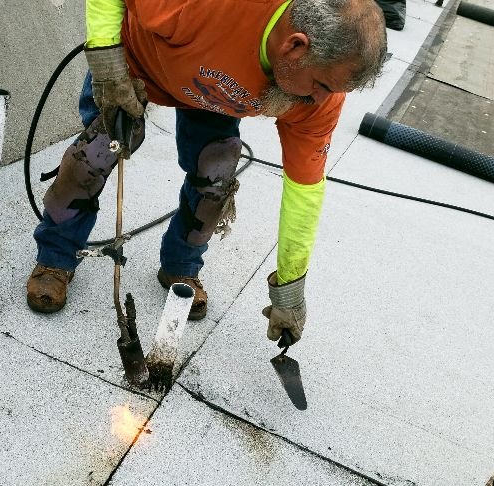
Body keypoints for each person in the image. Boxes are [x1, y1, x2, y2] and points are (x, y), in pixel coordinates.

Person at [27, 0, 387, 346]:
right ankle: (55, 255)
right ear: (295, 47)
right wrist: (107, 66)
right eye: (321, 86)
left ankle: (180, 267)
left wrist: (289, 292)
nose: (321, 101)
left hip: (211, 93)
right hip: (137, 65)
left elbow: (304, 192)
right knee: (97, 153)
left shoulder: (317, 100)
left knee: (217, 171)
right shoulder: (211, 5)